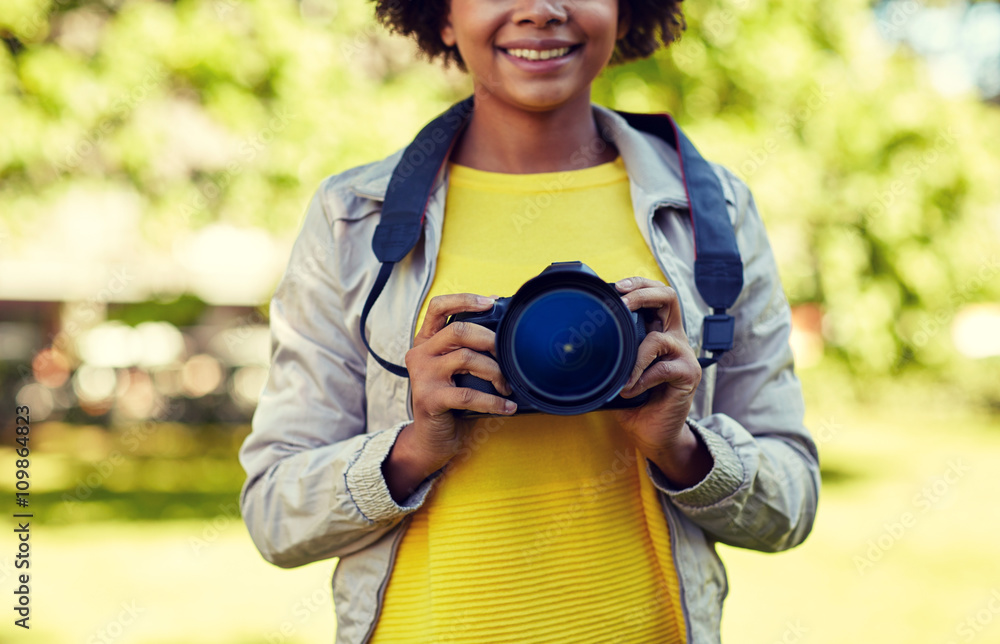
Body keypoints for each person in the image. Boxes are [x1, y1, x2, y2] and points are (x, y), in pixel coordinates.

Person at [238, 0, 820, 641]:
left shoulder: (714, 214)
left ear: (627, 11)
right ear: (439, 15)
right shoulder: (354, 220)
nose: (542, 11)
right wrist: (413, 447)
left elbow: (790, 507)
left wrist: (681, 446)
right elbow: (274, 517)